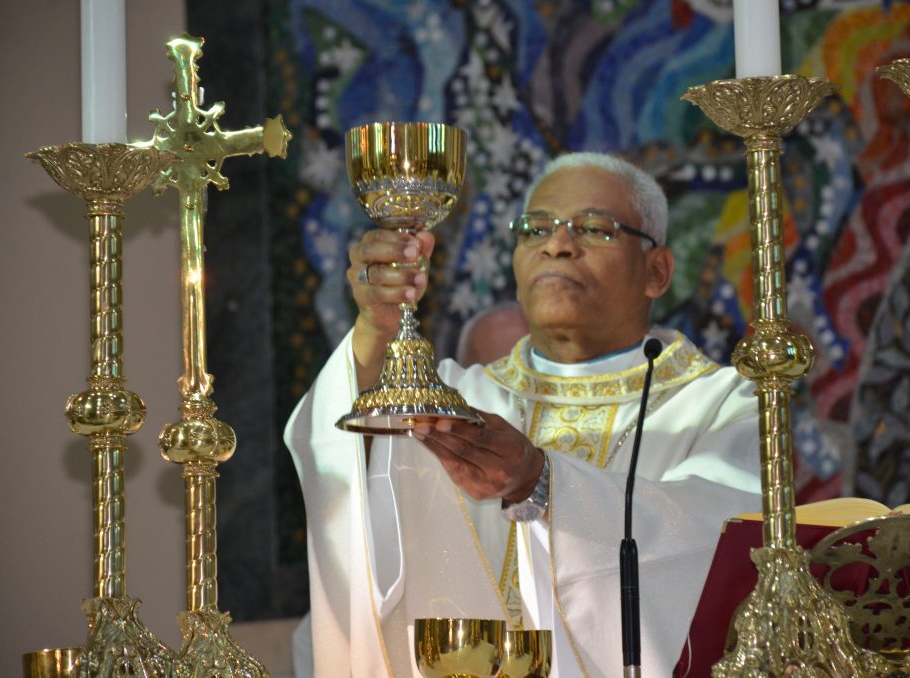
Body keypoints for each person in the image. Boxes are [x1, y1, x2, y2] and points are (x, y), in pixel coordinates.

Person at [285, 152, 761, 676]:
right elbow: (339, 468)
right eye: (535, 229)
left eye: (595, 229)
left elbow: (718, 545)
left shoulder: (723, 405)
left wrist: (541, 482)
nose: (557, 244)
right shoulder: (460, 398)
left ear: (657, 271)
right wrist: (375, 330)